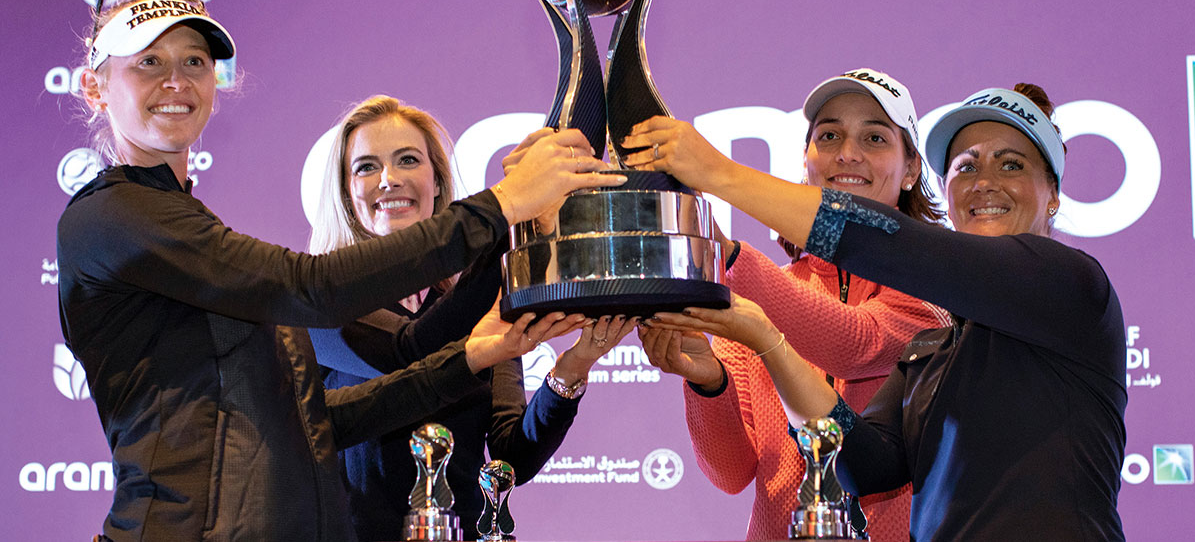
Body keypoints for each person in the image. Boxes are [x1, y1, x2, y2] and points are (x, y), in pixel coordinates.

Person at [57, 0, 627, 542]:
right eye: (149, 62)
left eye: (194, 61)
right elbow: (314, 287)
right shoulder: (117, 215)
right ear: (95, 88)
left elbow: (319, 422)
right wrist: (502, 207)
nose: (176, 81)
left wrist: (477, 354)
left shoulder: (186, 224)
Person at [628, 84, 1126, 541]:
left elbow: (883, 262)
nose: (985, 183)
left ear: (1054, 196)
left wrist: (719, 178)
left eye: (1012, 165)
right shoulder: (934, 349)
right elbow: (862, 463)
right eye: (967, 167)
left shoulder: (1072, 285)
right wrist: (763, 338)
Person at [637, 69, 950, 541]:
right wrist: (708, 381)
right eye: (829, 135)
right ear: (805, 162)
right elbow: (730, 474)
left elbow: (851, 342)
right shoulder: (762, 296)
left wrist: (729, 256)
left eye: (874, 137)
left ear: (910, 170)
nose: (848, 152)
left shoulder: (933, 286)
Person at [307, 95, 637, 540]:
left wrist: (573, 367)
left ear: (438, 183)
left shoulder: (474, 304)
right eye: (366, 167)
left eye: (407, 160)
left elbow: (510, 456)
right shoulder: (321, 298)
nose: (389, 179)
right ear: (347, 193)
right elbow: (411, 351)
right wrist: (513, 213)